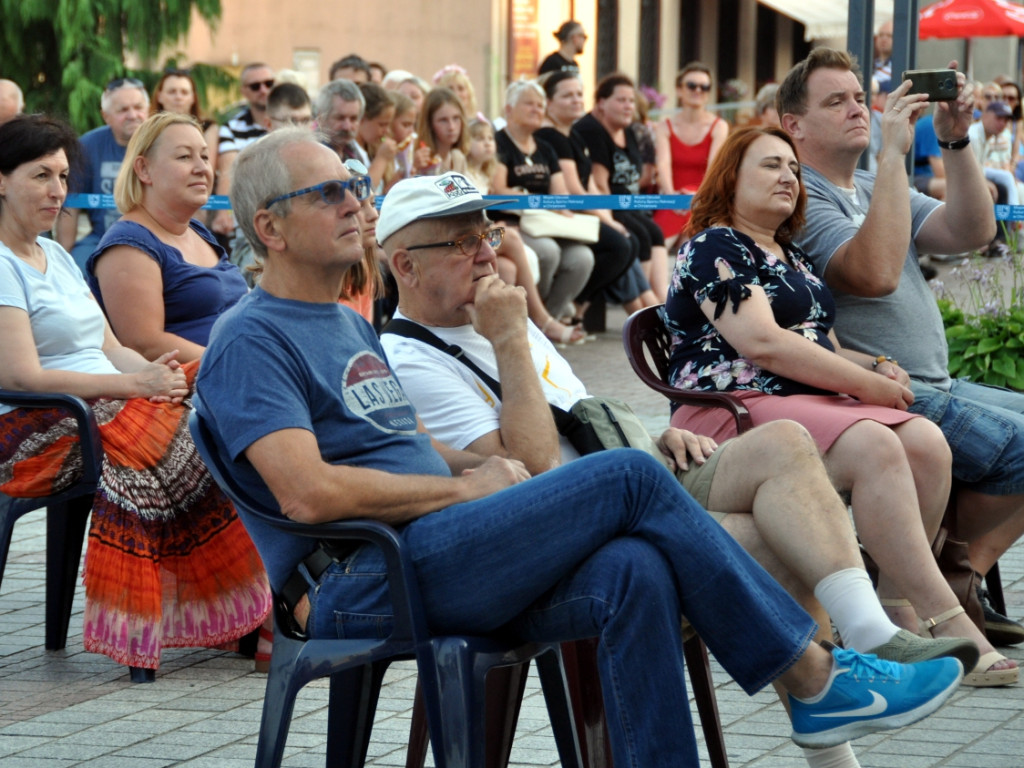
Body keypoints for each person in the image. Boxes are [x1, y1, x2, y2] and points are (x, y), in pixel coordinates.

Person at [193, 127, 964, 766]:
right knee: (626, 478)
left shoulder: (341, 324)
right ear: (270, 227)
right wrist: (466, 489)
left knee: (635, 568)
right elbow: (307, 493)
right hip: (364, 577)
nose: (354, 203)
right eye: (328, 192)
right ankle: (814, 677)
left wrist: (470, 468)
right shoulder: (252, 338)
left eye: (355, 184)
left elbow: (405, 450)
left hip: (433, 546)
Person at [380, 171, 979, 768]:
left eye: (486, 233)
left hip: (634, 480)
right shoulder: (415, 354)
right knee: (780, 532)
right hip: (567, 536)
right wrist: (511, 336)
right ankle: (831, 718)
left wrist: (648, 433)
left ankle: (866, 634)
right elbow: (535, 474)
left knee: (785, 445)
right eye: (461, 243)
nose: (488, 253)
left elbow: (577, 417)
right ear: (405, 265)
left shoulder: (500, 313)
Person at [661, 125, 1015, 688]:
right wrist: (864, 386)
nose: (788, 176)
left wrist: (871, 366)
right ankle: (950, 620)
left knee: (924, 440)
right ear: (730, 178)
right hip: (732, 414)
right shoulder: (713, 245)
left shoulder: (792, 255)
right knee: (875, 442)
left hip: (800, 403)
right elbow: (764, 344)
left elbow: (817, 343)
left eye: (793, 169)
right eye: (770, 165)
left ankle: (895, 607)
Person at [0, 114, 270, 674]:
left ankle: (250, 606)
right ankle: (242, 609)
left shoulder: (57, 257)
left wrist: (163, 375)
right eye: (40, 176)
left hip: (102, 404)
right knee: (190, 443)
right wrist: (134, 384)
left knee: (224, 422)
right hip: (36, 424)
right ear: (1, 181)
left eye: (62, 176)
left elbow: (115, 346)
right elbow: (22, 378)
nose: (57, 191)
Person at [778, 47, 1024, 650]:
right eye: (835, 101)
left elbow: (971, 233)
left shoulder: (866, 181)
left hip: (936, 384)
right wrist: (893, 153)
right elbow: (875, 274)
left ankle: (950, 571)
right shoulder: (802, 196)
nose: (858, 109)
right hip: (884, 394)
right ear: (794, 126)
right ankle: (938, 582)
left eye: (860, 97)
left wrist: (955, 141)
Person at [86, 112, 247, 364]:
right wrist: (237, 363)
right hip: (197, 388)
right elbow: (145, 345)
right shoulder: (127, 245)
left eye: (204, 156)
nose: (202, 168)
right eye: (184, 156)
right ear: (143, 169)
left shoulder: (196, 230)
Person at [538, 71, 655, 316]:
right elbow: (575, 191)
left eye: (579, 94)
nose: (576, 100)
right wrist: (607, 221)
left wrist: (610, 220)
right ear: (549, 103)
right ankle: (570, 308)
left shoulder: (574, 136)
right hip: (562, 213)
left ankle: (580, 309)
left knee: (630, 240)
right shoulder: (550, 137)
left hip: (581, 210)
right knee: (620, 245)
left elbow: (590, 185)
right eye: (567, 95)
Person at [492, 80, 594, 323]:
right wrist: (533, 199)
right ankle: (532, 318)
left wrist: (552, 205)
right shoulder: (498, 142)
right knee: (547, 252)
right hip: (511, 223)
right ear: (508, 109)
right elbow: (498, 190)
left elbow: (559, 196)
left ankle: (550, 317)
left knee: (582, 258)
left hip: (544, 224)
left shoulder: (546, 148)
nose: (537, 109)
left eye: (540, 105)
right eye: (529, 104)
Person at [574, 73, 670, 302]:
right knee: (640, 238)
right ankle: (644, 305)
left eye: (631, 100)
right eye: (621, 100)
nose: (628, 106)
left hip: (630, 202)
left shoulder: (628, 130)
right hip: (609, 204)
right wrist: (609, 218)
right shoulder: (592, 129)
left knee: (655, 232)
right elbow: (599, 183)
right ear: (601, 103)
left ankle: (662, 298)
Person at [56, 77, 149, 272]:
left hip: (153, 237)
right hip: (101, 238)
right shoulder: (88, 145)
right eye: (123, 110)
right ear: (106, 116)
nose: (133, 115)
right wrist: (63, 257)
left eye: (138, 107)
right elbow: (71, 203)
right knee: (76, 269)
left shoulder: (162, 143)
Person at [653, 62, 729, 250]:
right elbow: (663, 164)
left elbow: (714, 167)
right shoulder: (664, 126)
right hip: (673, 199)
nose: (698, 90)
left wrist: (697, 198)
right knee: (657, 243)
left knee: (690, 245)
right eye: (691, 85)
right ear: (679, 90)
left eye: (704, 87)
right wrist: (672, 199)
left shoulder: (719, 126)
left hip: (702, 199)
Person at [209, 63, 274, 246]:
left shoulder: (290, 122)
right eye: (255, 86)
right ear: (243, 91)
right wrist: (223, 211)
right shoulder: (231, 128)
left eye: (269, 83)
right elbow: (229, 171)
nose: (263, 90)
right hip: (246, 225)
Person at [413, 87, 468, 176]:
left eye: (456, 118)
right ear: (429, 124)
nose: (451, 127)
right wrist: (415, 168)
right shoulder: (422, 160)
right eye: (443, 120)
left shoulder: (458, 158)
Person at [315, 78, 369, 165]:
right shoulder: (313, 155)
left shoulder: (352, 151)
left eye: (353, 119)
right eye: (340, 118)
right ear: (321, 117)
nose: (347, 127)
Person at [356, 82, 397, 191]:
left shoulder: (369, 149)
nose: (386, 131)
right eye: (382, 124)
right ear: (362, 119)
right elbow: (363, 191)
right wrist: (382, 159)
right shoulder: (350, 152)